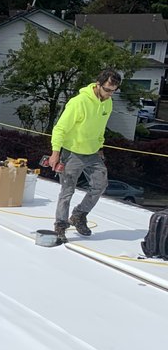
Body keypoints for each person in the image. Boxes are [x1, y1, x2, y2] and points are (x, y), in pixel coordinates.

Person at [47, 69, 121, 244]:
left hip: (93, 152)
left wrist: (100, 147)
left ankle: (79, 215)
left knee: (100, 185)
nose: (110, 94)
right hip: (72, 153)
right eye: (107, 90)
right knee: (67, 190)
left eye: (114, 91)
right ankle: (60, 226)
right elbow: (60, 128)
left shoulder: (108, 103)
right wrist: (55, 152)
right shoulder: (78, 102)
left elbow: (100, 128)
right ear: (98, 84)